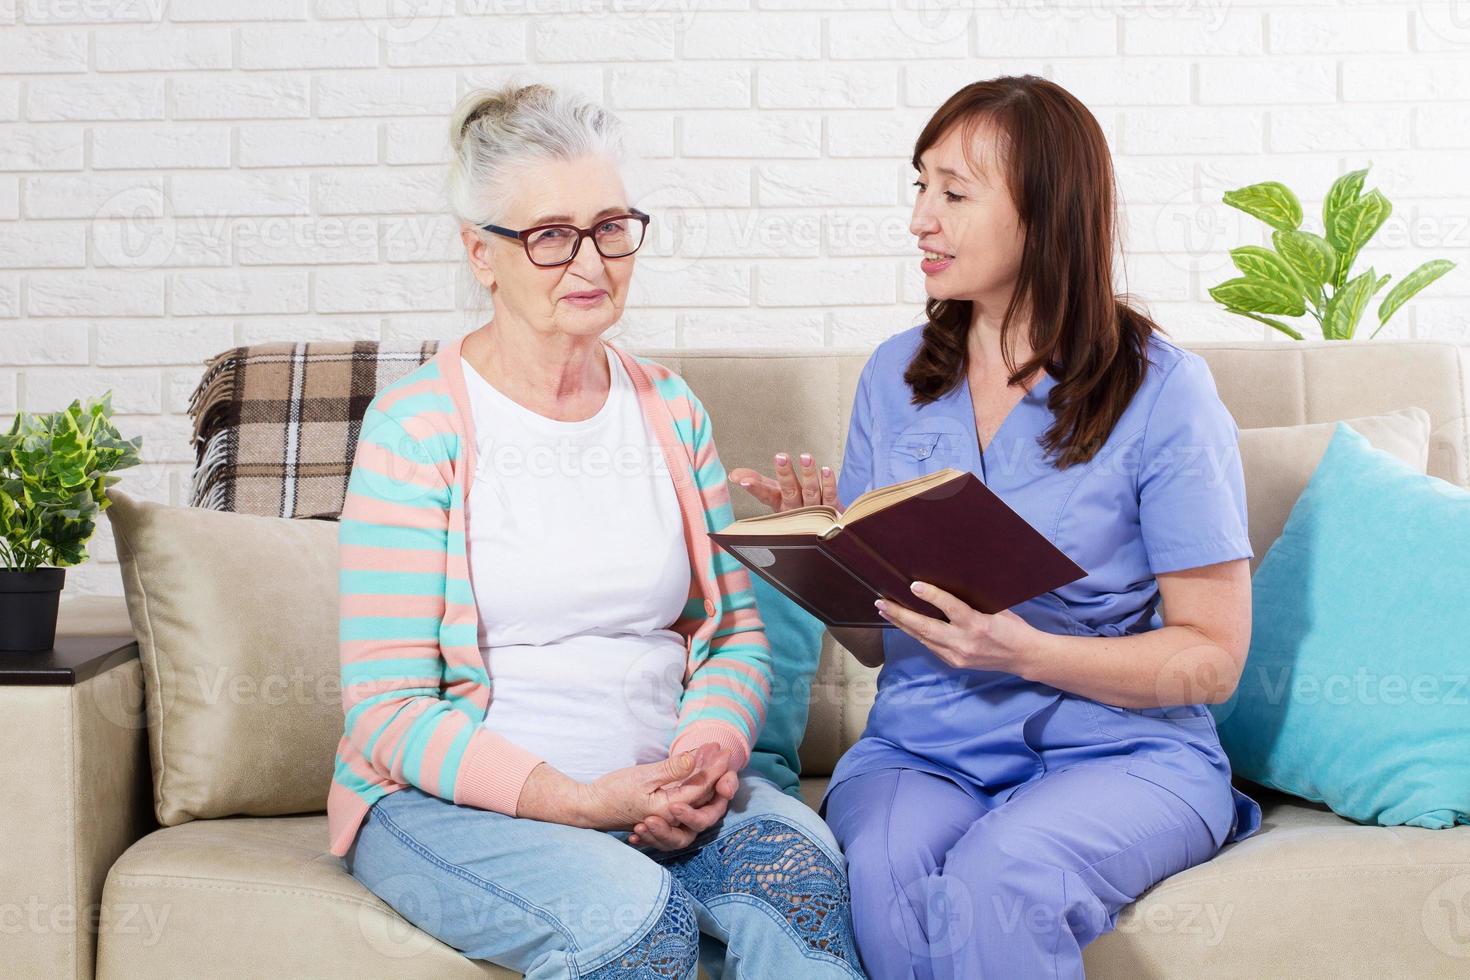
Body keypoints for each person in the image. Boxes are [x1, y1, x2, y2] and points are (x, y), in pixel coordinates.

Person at [730, 75, 1263, 980]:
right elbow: (873, 637)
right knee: (885, 881)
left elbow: (1212, 657)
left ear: (1044, 213)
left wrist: (1027, 654)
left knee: (999, 878)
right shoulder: (895, 377)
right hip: (925, 744)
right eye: (919, 185)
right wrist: (821, 557)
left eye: (954, 193)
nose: (920, 220)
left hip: (1124, 751)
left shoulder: (1165, 391)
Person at [328, 82, 864, 980]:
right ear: (481, 254)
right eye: (550, 235)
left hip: (664, 788)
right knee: (634, 921)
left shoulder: (670, 410)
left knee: (799, 882)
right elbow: (386, 710)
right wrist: (575, 802)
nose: (591, 261)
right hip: (455, 807)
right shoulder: (416, 429)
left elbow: (732, 637)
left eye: (612, 227)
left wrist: (703, 762)